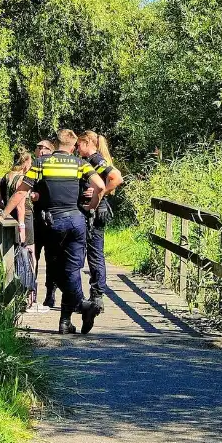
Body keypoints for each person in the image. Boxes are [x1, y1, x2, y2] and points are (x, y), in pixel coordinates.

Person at [2, 129, 105, 334]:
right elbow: (101, 186)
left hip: (53, 223)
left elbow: (21, 191)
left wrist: (3, 214)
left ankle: (84, 305)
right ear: (74, 146)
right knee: (72, 270)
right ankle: (66, 321)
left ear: (56, 144)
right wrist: (90, 206)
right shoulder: (80, 164)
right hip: (77, 222)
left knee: (58, 270)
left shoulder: (41, 164)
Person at [76, 131, 124, 310]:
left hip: (96, 212)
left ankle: (97, 296)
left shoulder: (96, 159)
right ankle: (95, 296)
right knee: (94, 254)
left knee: (95, 255)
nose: (76, 148)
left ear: (88, 142)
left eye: (79, 144)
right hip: (94, 210)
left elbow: (116, 178)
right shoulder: (93, 160)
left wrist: (100, 192)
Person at [0, 147, 39, 311]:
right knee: (29, 256)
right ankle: (28, 297)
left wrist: (7, 211)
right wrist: (21, 226)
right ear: (26, 162)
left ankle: (16, 293)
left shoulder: (6, 177)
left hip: (10, 221)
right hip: (25, 221)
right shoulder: (21, 179)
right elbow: (20, 206)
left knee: (14, 256)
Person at [32, 139, 58, 308]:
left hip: (50, 218)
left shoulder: (56, 169)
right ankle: (30, 292)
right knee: (33, 256)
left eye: (45, 148)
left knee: (52, 259)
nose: (41, 150)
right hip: (34, 218)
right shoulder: (32, 167)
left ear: (52, 151)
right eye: (39, 147)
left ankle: (51, 293)